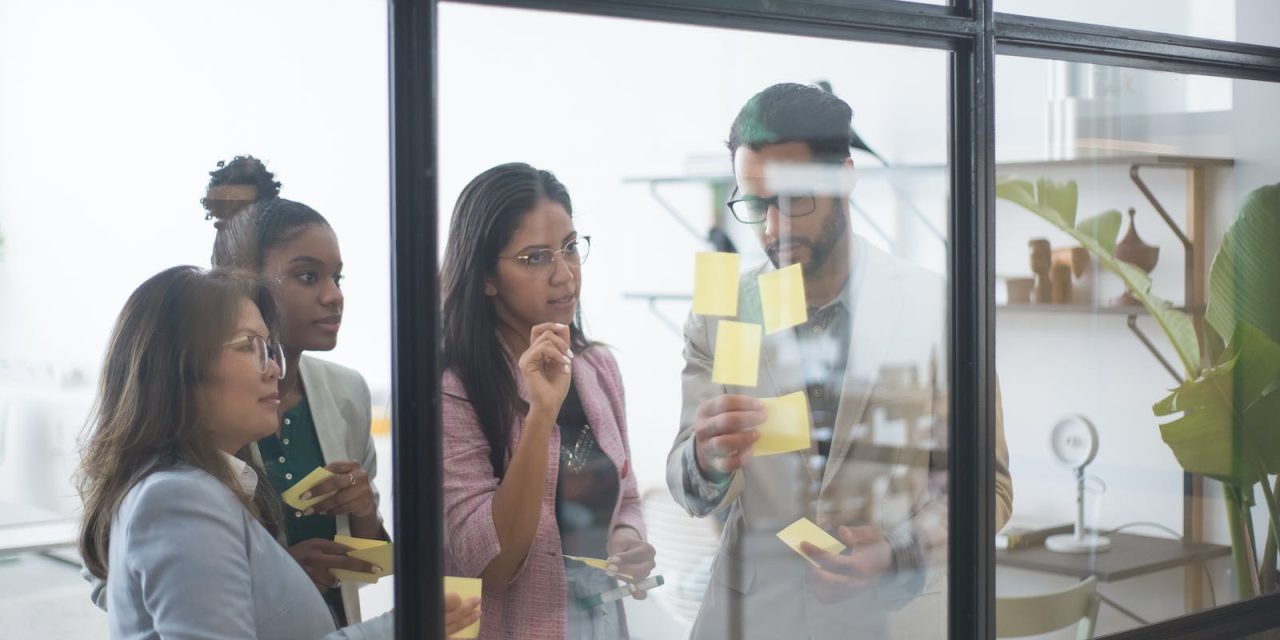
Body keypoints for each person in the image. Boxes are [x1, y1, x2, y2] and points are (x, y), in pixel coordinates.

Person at [665, 83, 1014, 639]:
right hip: (752, 622)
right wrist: (705, 460)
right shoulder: (722, 310)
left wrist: (899, 552)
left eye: (793, 198)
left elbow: (987, 490)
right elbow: (686, 483)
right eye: (755, 205)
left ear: (845, 176)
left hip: (891, 621)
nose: (772, 230)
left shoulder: (940, 307)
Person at [74, 266, 418, 638]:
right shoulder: (177, 498)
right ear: (180, 368)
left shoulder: (199, 487)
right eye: (247, 346)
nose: (273, 368)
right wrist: (402, 628)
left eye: (269, 349)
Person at [440, 163, 656, 639]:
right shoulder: (453, 387)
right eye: (536, 258)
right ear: (486, 277)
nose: (565, 276)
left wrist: (628, 539)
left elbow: (628, 497)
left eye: (571, 248)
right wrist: (541, 415)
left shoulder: (597, 366)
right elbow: (490, 562)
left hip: (598, 623)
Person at [207, 171, 387, 626]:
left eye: (337, 277)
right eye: (308, 276)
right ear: (243, 282)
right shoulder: (200, 402)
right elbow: (110, 580)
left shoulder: (347, 393)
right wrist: (278, 576)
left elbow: (376, 563)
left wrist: (364, 512)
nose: (335, 296)